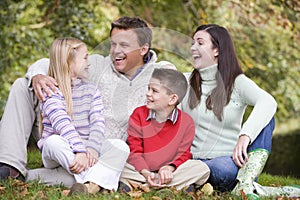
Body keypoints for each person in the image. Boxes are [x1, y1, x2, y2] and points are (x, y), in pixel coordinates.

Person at [0, 16, 173, 187]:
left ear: (143, 49)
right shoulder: (96, 64)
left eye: (124, 45)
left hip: (101, 149)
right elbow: (54, 61)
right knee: (23, 85)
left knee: (74, 176)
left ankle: (48, 177)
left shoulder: (159, 75)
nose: (115, 51)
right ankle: (10, 165)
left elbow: (183, 86)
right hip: (64, 135)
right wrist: (38, 75)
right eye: (113, 44)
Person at [182, 24, 300, 199]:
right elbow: (157, 81)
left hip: (227, 163)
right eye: (193, 43)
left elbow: (268, 102)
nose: (193, 48)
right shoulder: (184, 81)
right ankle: (249, 188)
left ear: (217, 50)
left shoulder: (237, 82)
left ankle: (244, 181)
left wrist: (245, 135)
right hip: (193, 161)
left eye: (200, 43)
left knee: (266, 120)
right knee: (205, 168)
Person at [37, 37, 129, 194]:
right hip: (61, 151)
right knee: (53, 142)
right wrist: (79, 151)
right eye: (85, 58)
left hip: (86, 150)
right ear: (69, 62)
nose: (89, 62)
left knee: (121, 147)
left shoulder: (91, 90)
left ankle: (88, 187)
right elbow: (62, 123)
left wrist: (92, 148)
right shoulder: (51, 91)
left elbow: (98, 122)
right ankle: (100, 181)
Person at [119, 68, 210, 193]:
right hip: (140, 170)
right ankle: (170, 186)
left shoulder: (186, 122)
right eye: (148, 89)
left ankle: (141, 185)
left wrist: (169, 168)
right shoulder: (138, 114)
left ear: (172, 99)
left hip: (168, 173)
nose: (148, 94)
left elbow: (183, 153)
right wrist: (145, 172)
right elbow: (135, 150)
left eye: (154, 91)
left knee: (202, 168)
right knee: (118, 164)